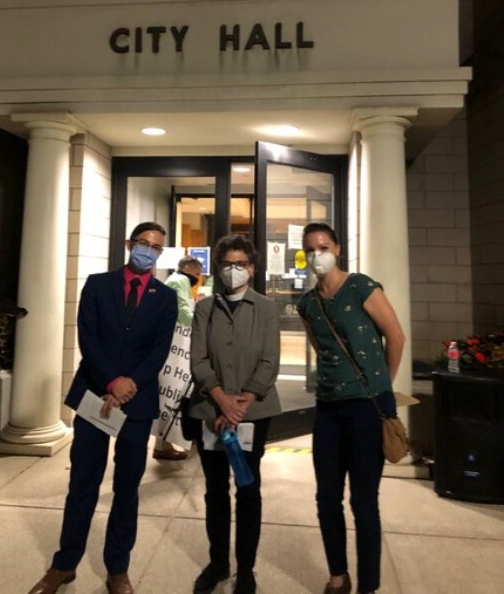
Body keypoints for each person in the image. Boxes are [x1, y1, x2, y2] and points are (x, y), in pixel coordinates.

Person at [27, 222, 178, 594]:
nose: (147, 251)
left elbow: (160, 350)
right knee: (83, 483)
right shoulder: (98, 284)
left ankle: (117, 568)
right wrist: (112, 382)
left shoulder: (164, 296)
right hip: (95, 394)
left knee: (127, 488)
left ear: (161, 253)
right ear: (129, 245)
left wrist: (129, 386)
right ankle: (64, 564)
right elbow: (87, 336)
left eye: (155, 247)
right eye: (142, 243)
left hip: (137, 402)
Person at [297, 223, 405, 594]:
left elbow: (396, 334)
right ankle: (337, 576)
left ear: (338, 249)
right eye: (309, 250)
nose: (317, 255)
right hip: (328, 407)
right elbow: (321, 349)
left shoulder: (361, 286)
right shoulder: (307, 303)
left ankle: (368, 586)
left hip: (366, 407)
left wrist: (382, 384)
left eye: (323, 247)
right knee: (327, 496)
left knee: (363, 500)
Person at [189, 234, 281, 594]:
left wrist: (241, 401)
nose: (233, 270)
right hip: (210, 410)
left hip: (252, 413)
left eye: (241, 263)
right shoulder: (204, 309)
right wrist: (220, 399)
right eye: (227, 263)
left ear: (252, 268)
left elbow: (270, 360)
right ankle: (217, 563)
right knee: (215, 490)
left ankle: (246, 568)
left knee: (248, 487)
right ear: (218, 267)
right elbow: (197, 358)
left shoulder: (267, 308)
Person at [153, 254, 203, 461]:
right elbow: (182, 311)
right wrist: (202, 324)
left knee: (167, 395)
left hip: (168, 343)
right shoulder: (180, 280)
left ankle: (162, 443)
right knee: (173, 393)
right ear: (188, 267)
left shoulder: (173, 281)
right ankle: (163, 444)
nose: (198, 278)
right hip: (174, 346)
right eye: (197, 273)